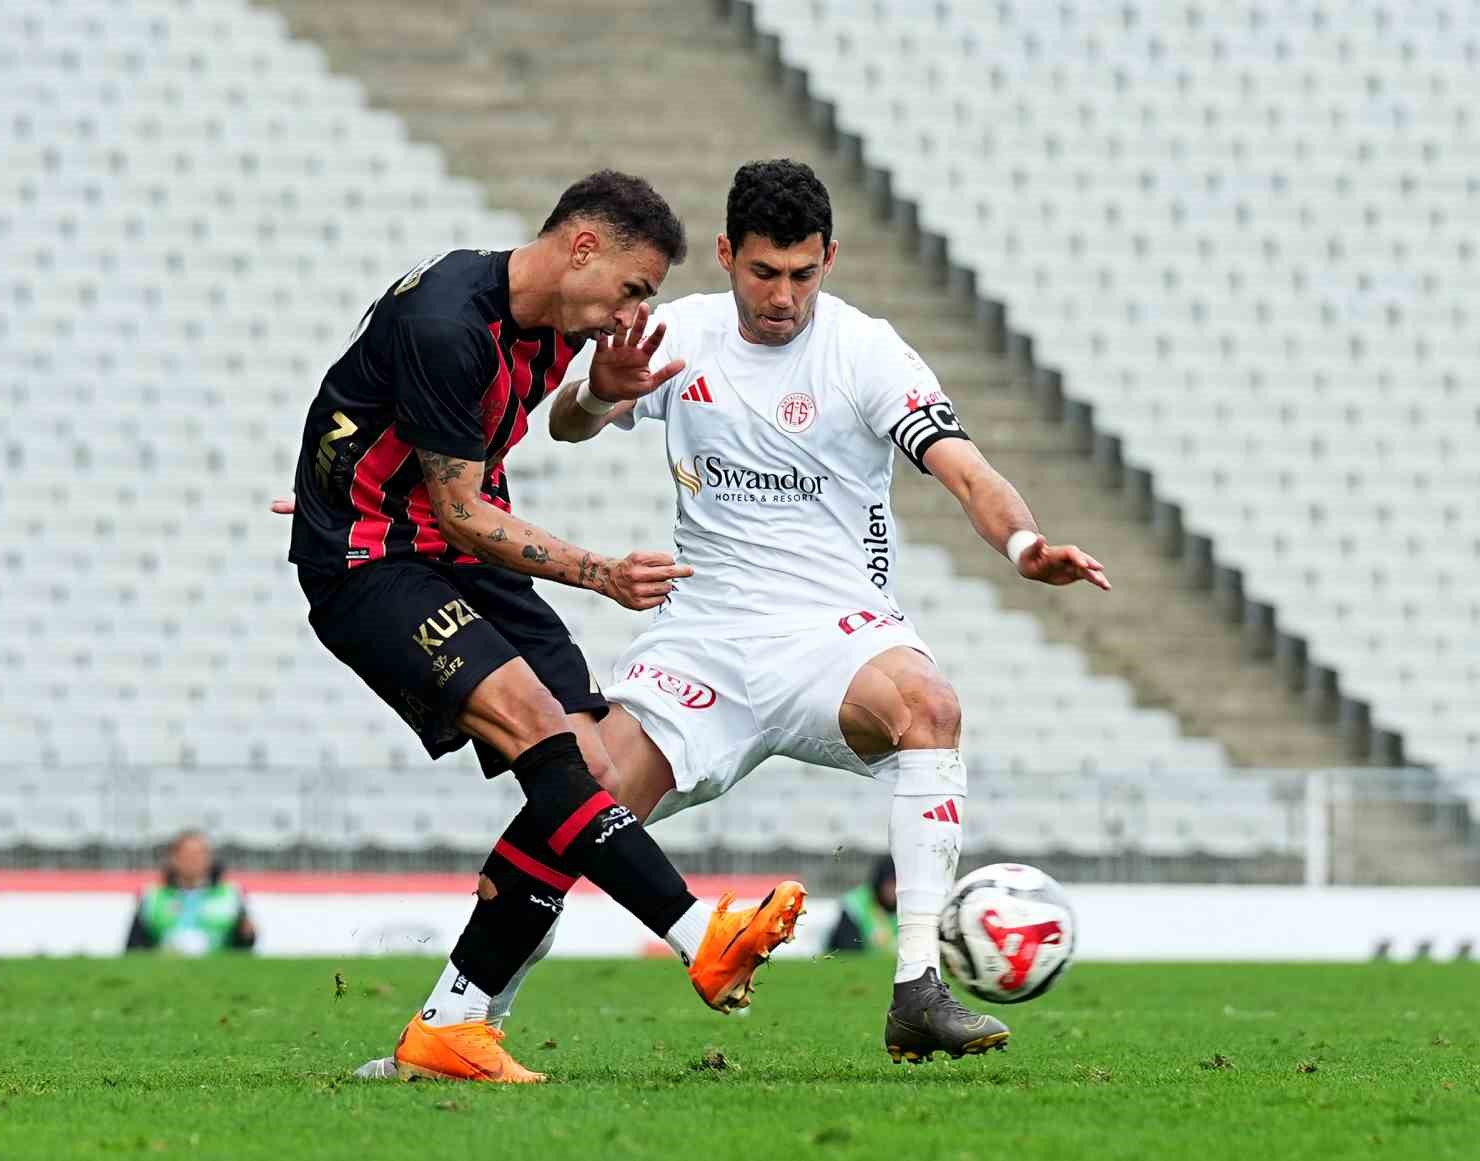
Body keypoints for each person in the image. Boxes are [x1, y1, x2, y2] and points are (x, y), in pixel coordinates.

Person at [420, 158, 1110, 1068]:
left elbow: (964, 468)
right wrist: (601, 389)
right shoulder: (678, 332)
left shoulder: (867, 352)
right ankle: (457, 1016)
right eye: (762, 272)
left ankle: (916, 990)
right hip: (700, 637)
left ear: (829, 257)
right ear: (725, 255)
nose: (783, 296)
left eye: (803, 274)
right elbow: (568, 426)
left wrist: (1025, 548)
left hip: (834, 634)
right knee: (577, 799)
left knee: (930, 708)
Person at [286, 170, 806, 1085]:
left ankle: (452, 1023)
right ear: (581, 248)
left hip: (450, 549)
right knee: (535, 722)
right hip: (374, 563)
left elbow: (389, 415)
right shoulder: (453, 321)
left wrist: (603, 389)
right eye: (634, 288)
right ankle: (698, 935)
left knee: (593, 763)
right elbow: (457, 508)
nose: (630, 312)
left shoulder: (554, 331)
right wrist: (598, 572)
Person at [124, 830, 257, 955]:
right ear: (174, 859)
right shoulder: (152, 896)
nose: (194, 861)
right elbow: (134, 948)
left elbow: (244, 946)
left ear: (209, 858)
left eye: (200, 855)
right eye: (187, 855)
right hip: (166, 971)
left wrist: (247, 936)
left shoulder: (230, 894)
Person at [826, 856, 899, 955]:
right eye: (890, 883)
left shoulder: (913, 907)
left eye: (898, 883)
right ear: (880, 882)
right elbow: (848, 951)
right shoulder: (855, 905)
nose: (894, 889)